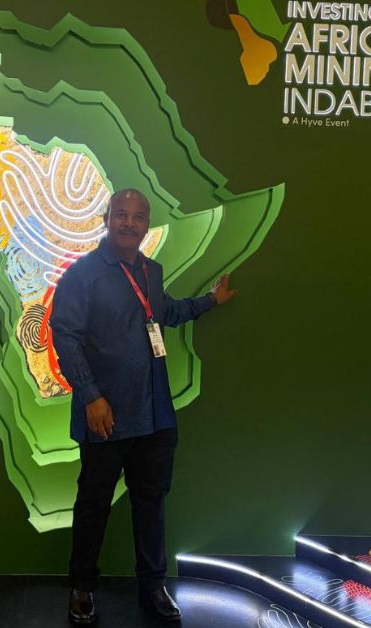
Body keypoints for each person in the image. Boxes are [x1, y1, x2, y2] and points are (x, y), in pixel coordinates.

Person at [50, 188, 237, 624]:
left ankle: (153, 586)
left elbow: (165, 313)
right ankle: (82, 587)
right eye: (121, 215)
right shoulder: (82, 274)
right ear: (106, 218)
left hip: (154, 415)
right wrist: (91, 397)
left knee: (151, 504)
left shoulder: (151, 271)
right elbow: (65, 339)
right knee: (93, 505)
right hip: (105, 416)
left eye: (138, 217)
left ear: (145, 224)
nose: (129, 223)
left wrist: (211, 301)